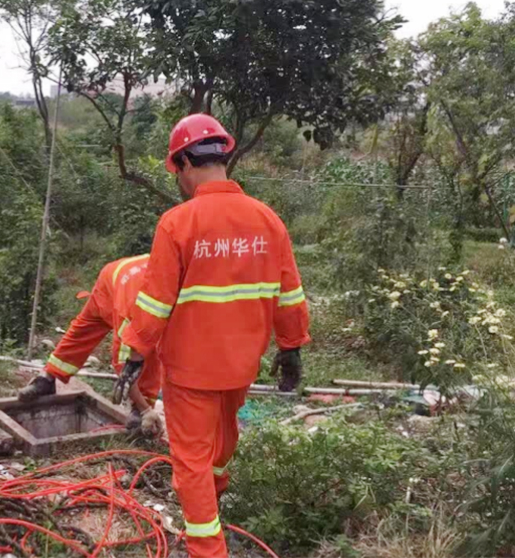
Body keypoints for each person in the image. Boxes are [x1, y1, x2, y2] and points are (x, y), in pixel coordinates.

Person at [116, 113, 311, 558]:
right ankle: (216, 499)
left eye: (177, 170)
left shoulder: (177, 223)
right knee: (222, 442)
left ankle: (207, 546)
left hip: (191, 370)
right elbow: (290, 295)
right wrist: (292, 349)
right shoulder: (268, 220)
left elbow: (154, 302)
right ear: (222, 156)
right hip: (240, 366)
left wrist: (135, 355)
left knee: (191, 463)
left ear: (186, 162)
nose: (179, 180)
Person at [17, 255, 164, 435]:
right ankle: (47, 378)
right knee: (86, 332)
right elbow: (124, 368)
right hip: (111, 285)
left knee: (146, 347)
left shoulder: (169, 291)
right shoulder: (130, 315)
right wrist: (145, 409)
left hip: (121, 278)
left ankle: (140, 409)